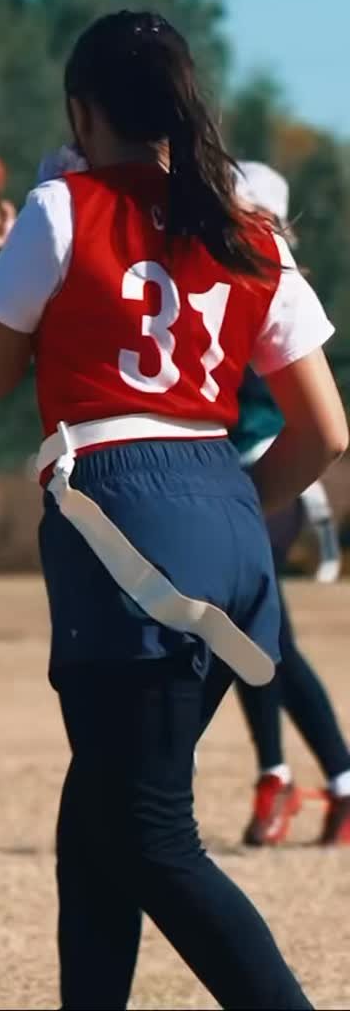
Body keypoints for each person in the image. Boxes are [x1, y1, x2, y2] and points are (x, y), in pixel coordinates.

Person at [0, 10, 348, 1010]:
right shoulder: (251, 230)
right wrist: (229, 511)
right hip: (225, 509)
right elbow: (326, 430)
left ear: (80, 111)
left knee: (150, 833)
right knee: (97, 817)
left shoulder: (62, 209)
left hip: (119, 514)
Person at [231, 162, 350, 847]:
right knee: (260, 638)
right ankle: (330, 780)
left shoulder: (270, 285)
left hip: (267, 476)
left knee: (255, 636)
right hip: (231, 481)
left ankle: (282, 777)